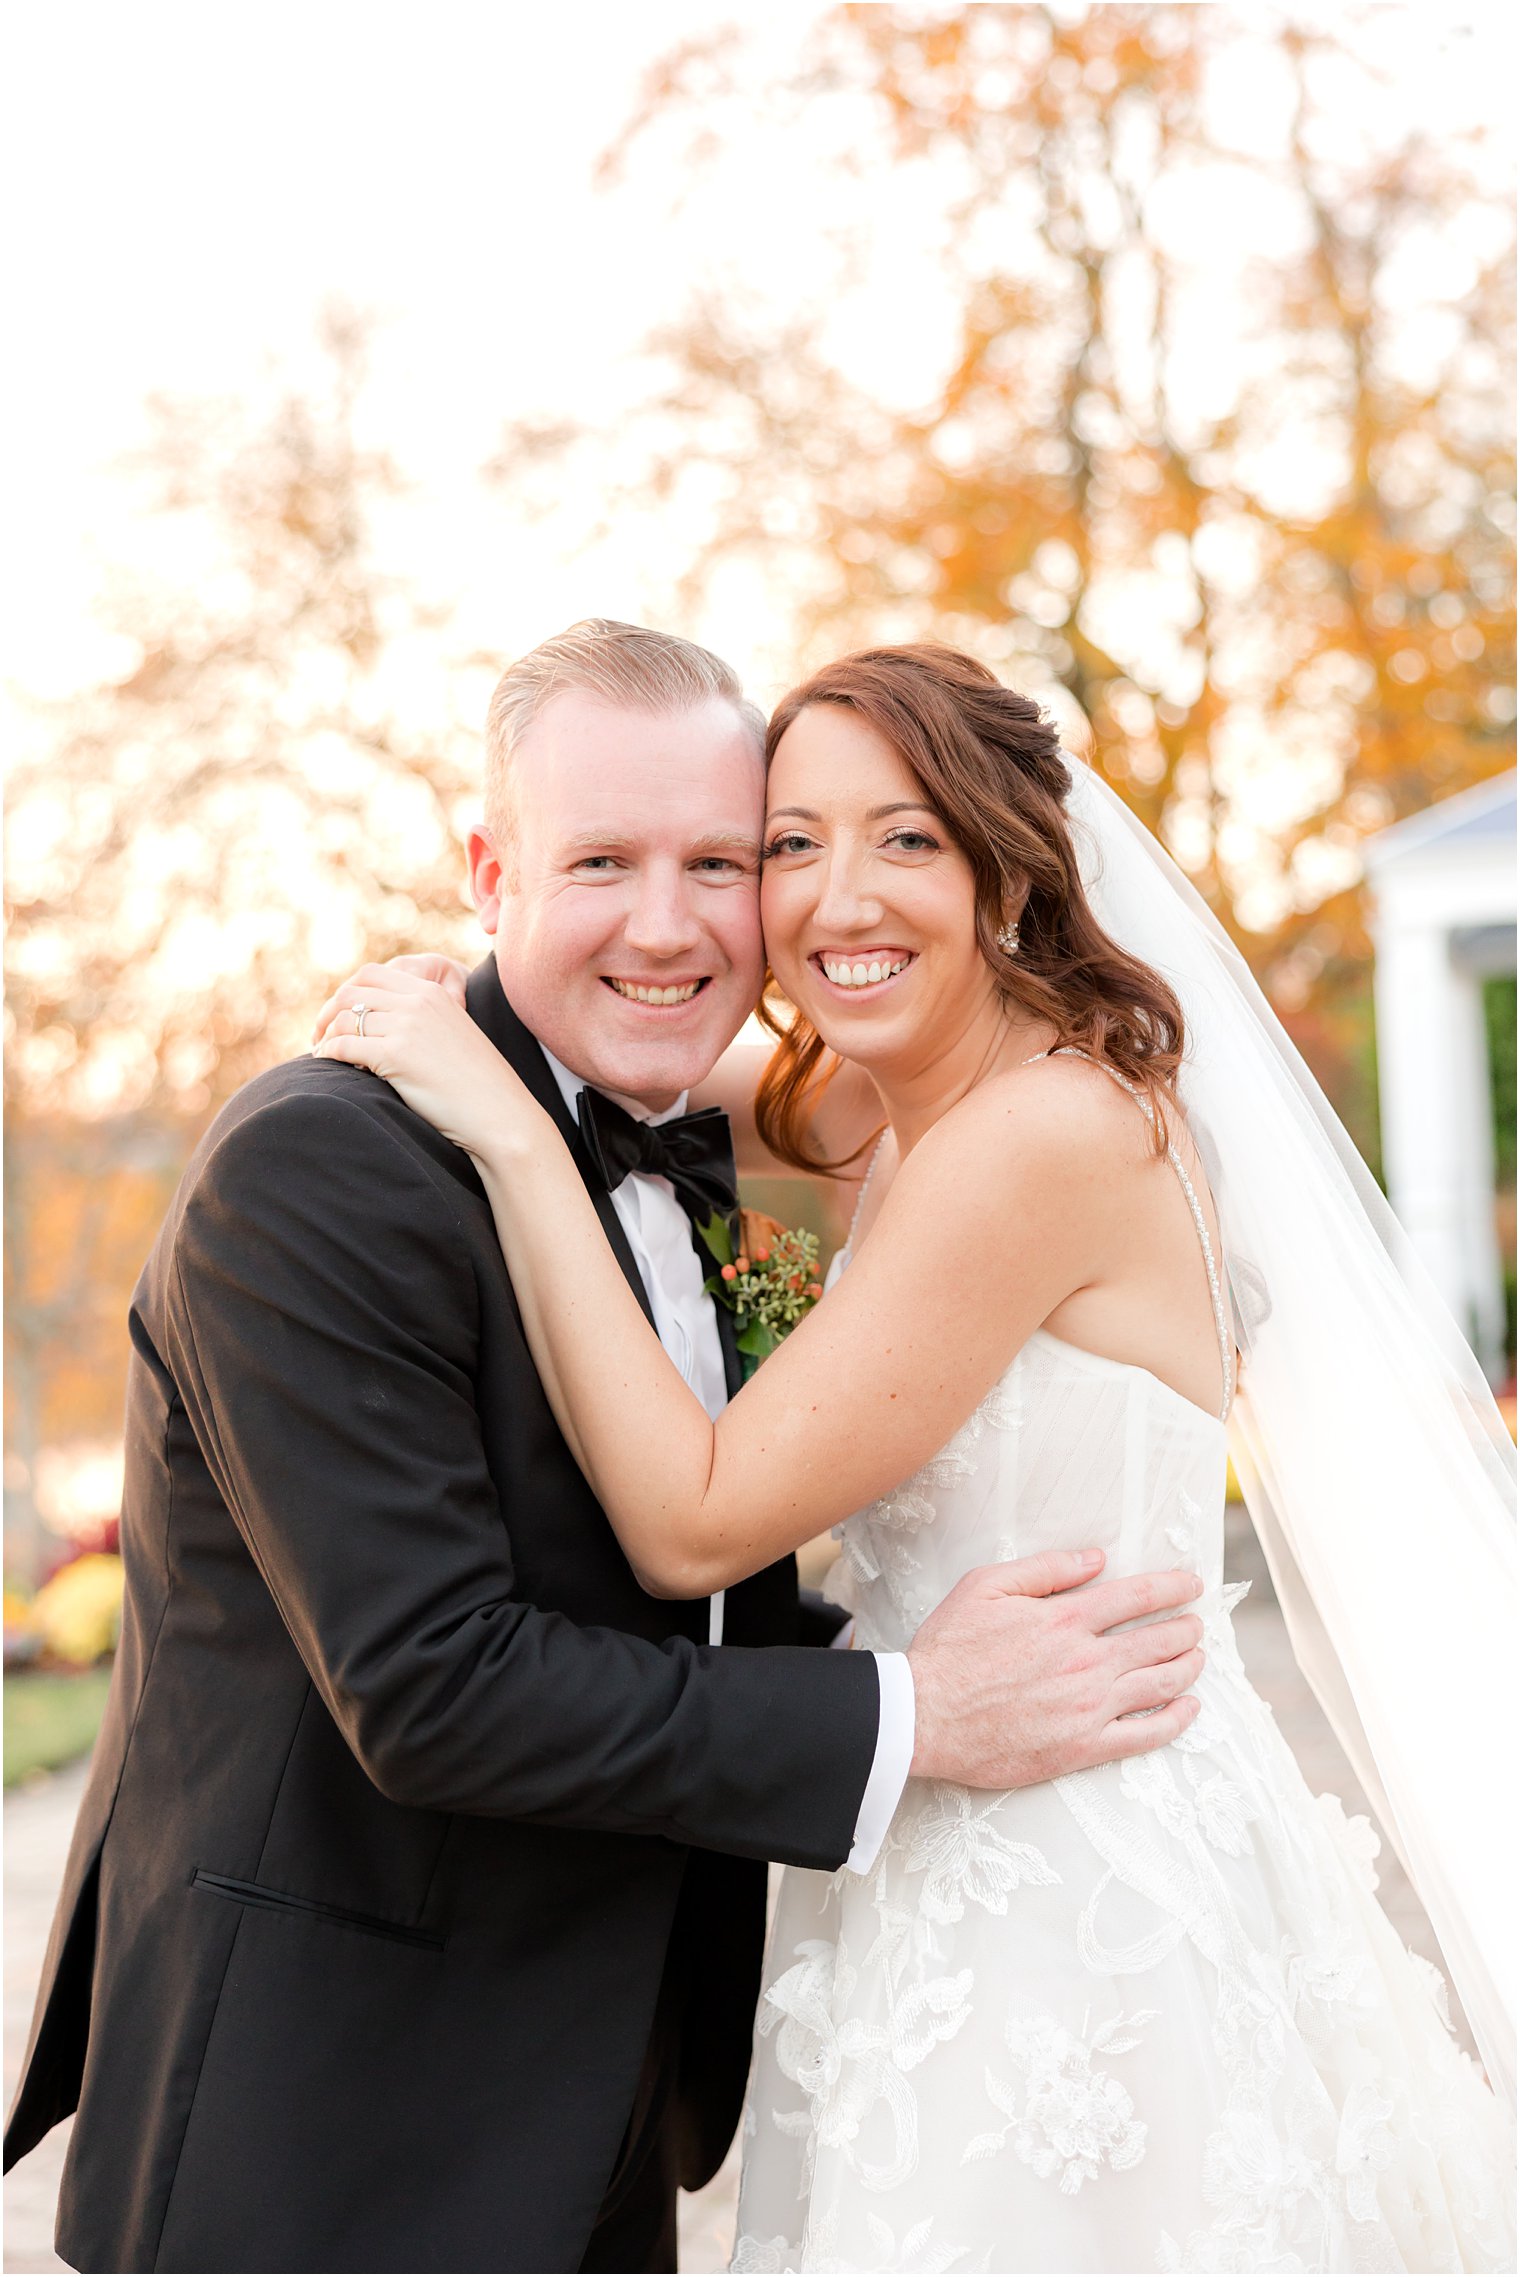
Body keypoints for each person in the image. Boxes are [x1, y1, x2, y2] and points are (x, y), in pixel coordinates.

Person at [3, 624, 1209, 2277]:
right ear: (489, 869)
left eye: (719, 861)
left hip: (595, 2106)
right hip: (336, 2141)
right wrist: (917, 1706)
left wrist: (922, 1647)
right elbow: (437, 1683)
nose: (668, 922)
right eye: (601, 862)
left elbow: (666, 1597)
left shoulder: (693, 1153)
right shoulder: (318, 1174)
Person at [315, 641, 1516, 2272]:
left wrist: (514, 1135)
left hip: (1070, 1893)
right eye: (790, 845)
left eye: (906, 839)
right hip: (953, 1829)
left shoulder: (1035, 1141)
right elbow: (697, 1077)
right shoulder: (918, 1093)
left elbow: (697, 1519)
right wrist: (540, 1001)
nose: (835, 897)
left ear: (1005, 867)